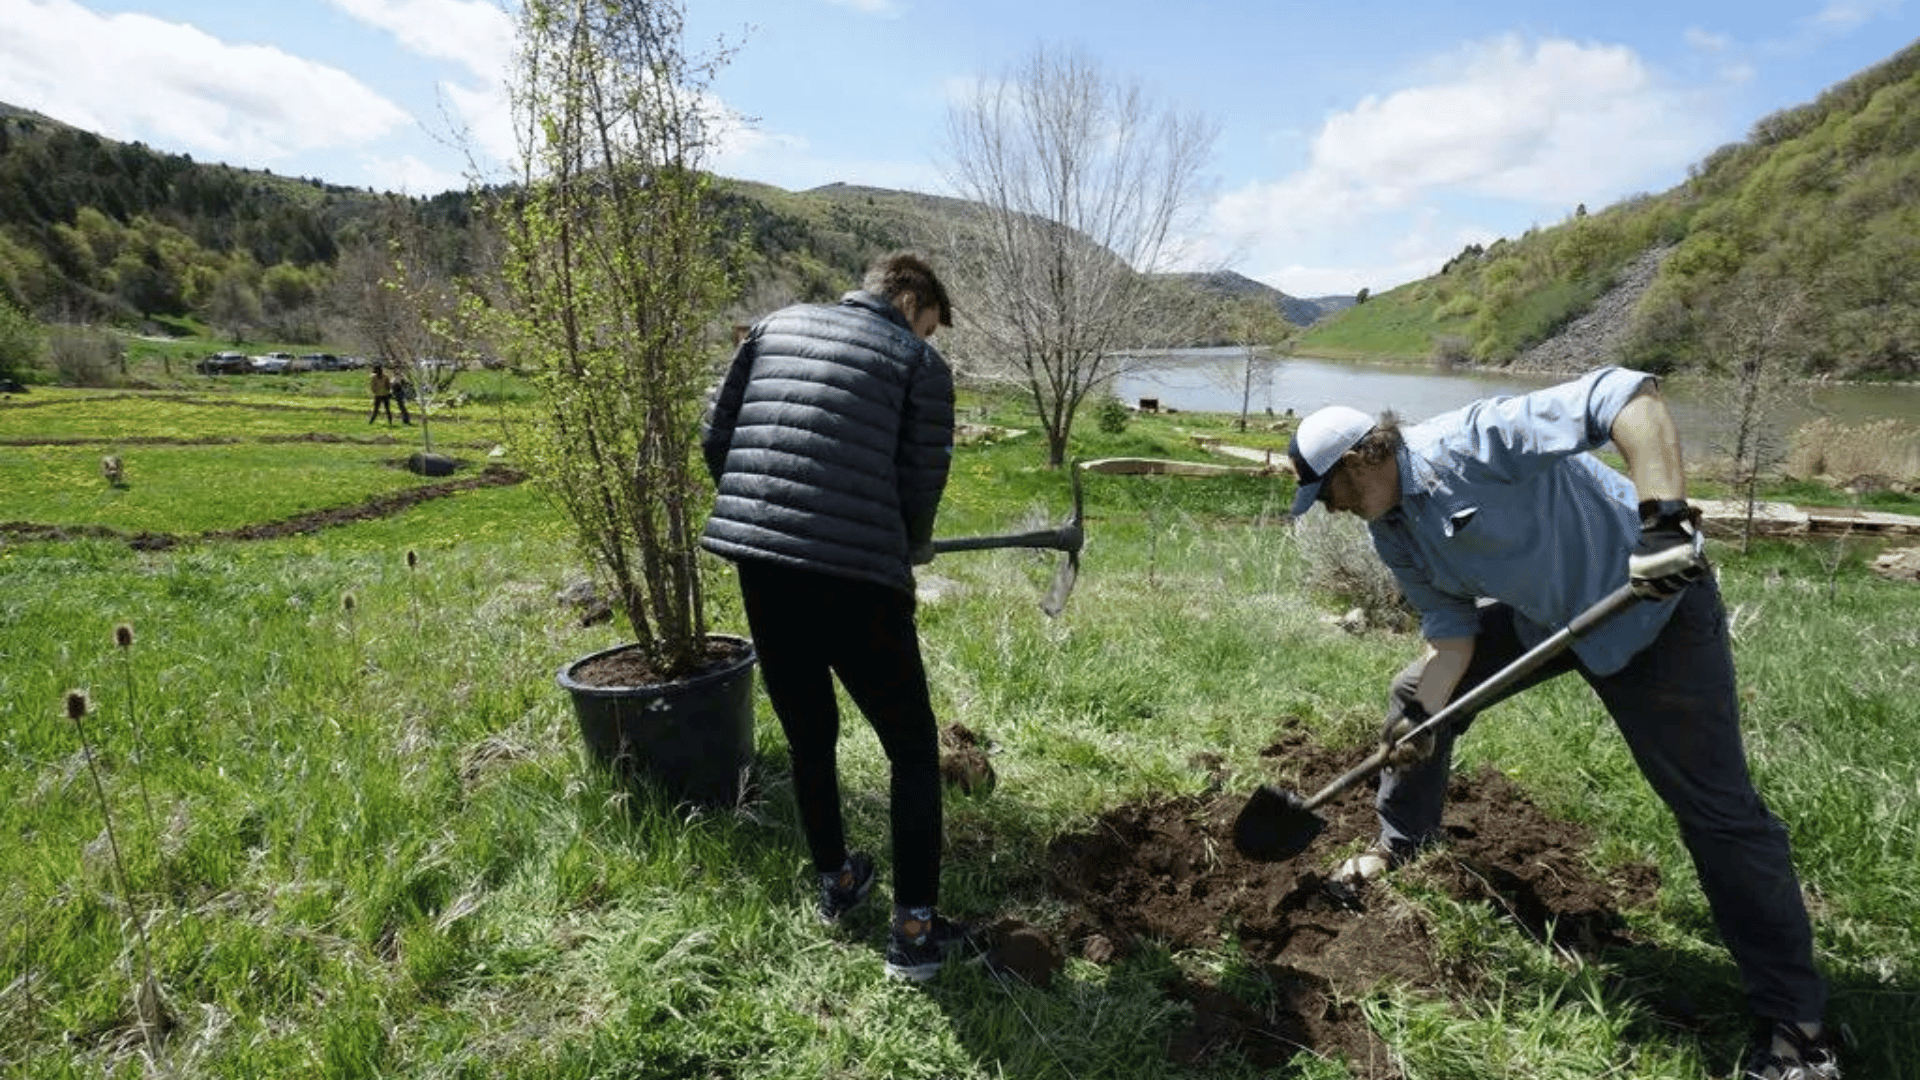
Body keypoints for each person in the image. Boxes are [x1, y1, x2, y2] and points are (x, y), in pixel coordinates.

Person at [1287, 366, 1839, 1080]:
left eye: (1327, 492)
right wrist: (1424, 716)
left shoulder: (1475, 441)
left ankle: (1798, 1021)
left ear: (1363, 456)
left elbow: (1625, 397)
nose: (1328, 509)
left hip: (1651, 606)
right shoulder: (1393, 533)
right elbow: (1451, 635)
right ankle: (1403, 842)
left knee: (1718, 813)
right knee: (1412, 695)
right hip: (1550, 618)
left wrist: (1663, 518)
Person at [700, 251, 976, 982]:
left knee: (809, 731)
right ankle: (914, 933)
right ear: (912, 302)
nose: (930, 340)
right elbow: (921, 482)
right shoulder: (918, 366)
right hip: (857, 576)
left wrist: (769, 516)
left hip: (760, 560)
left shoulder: (770, 328)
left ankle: (836, 881)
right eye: (931, 326)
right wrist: (905, 546)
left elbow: (716, 440)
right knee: (913, 749)